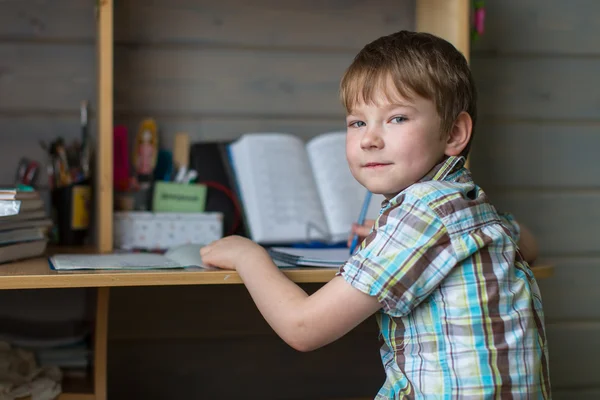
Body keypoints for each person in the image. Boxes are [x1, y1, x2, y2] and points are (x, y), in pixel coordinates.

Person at [200, 30, 550, 398]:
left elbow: (303, 328)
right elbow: (528, 240)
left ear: (454, 133)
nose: (370, 139)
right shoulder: (467, 202)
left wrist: (247, 254)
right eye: (358, 122)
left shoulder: (420, 211)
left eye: (397, 118)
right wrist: (397, 241)